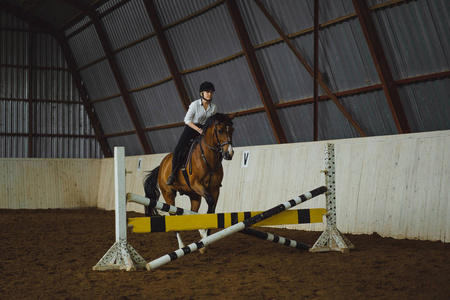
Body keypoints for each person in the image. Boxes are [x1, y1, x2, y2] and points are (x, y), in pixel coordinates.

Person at [166, 81, 218, 185]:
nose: (210, 94)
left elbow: (213, 122)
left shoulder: (214, 107)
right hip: (191, 129)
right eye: (207, 92)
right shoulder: (194, 105)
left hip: (204, 130)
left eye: (211, 92)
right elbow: (187, 120)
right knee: (178, 150)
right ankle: (173, 174)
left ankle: (215, 173)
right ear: (201, 94)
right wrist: (198, 129)